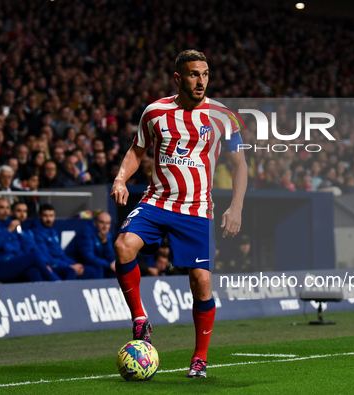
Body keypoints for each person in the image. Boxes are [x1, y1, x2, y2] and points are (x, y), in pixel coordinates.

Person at [110, 50, 247, 378]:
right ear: (178, 78)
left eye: (205, 74)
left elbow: (239, 164)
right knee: (122, 246)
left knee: (201, 282)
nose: (200, 81)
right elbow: (136, 150)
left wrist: (237, 206)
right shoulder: (155, 111)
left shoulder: (223, 117)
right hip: (157, 202)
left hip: (197, 209)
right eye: (193, 74)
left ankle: (199, 358)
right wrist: (120, 178)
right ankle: (140, 319)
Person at [0, 198, 60, 283]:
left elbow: (20, 247)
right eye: (1, 208)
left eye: (7, 208)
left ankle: (48, 296)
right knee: (34, 257)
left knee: (33, 271)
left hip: (9, 262)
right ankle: (60, 286)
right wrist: (7, 231)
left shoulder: (10, 224)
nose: (5, 211)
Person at [11, 202, 76, 280]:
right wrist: (46, 263)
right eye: (19, 211)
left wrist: (72, 264)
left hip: (38, 261)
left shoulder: (27, 230)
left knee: (85, 270)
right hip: (19, 262)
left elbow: (36, 249)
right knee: (36, 271)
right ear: (12, 212)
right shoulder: (32, 231)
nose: (22, 214)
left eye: (25, 211)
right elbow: (35, 252)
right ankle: (59, 287)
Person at [33, 203, 97, 279]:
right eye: (45, 216)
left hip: (62, 264)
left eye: (51, 216)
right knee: (70, 271)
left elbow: (61, 254)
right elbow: (47, 257)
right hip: (51, 266)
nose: (49, 219)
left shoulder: (53, 232)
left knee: (91, 271)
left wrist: (75, 265)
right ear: (39, 217)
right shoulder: (36, 233)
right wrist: (70, 266)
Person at [65, 211, 116, 279]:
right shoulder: (86, 233)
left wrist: (105, 243)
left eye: (107, 223)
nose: (105, 226)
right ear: (95, 222)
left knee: (116, 270)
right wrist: (109, 265)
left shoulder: (106, 235)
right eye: (102, 222)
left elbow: (111, 258)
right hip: (76, 263)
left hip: (94, 263)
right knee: (98, 267)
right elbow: (88, 258)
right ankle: (98, 288)